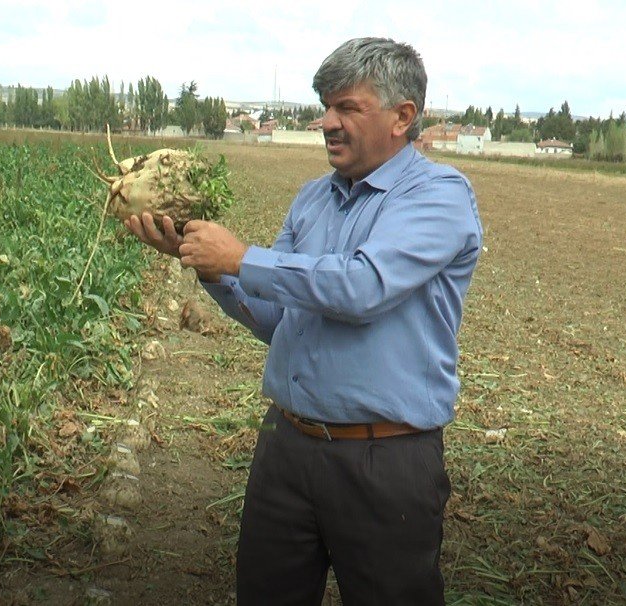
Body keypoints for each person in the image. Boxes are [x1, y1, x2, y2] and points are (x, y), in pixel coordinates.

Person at [126, 37, 483, 606]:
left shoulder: (438, 198)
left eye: (347, 108)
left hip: (384, 460)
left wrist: (242, 258)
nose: (327, 122)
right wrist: (208, 268)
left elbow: (361, 286)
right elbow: (279, 320)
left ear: (402, 117)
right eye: (325, 107)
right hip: (286, 448)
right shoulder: (313, 199)